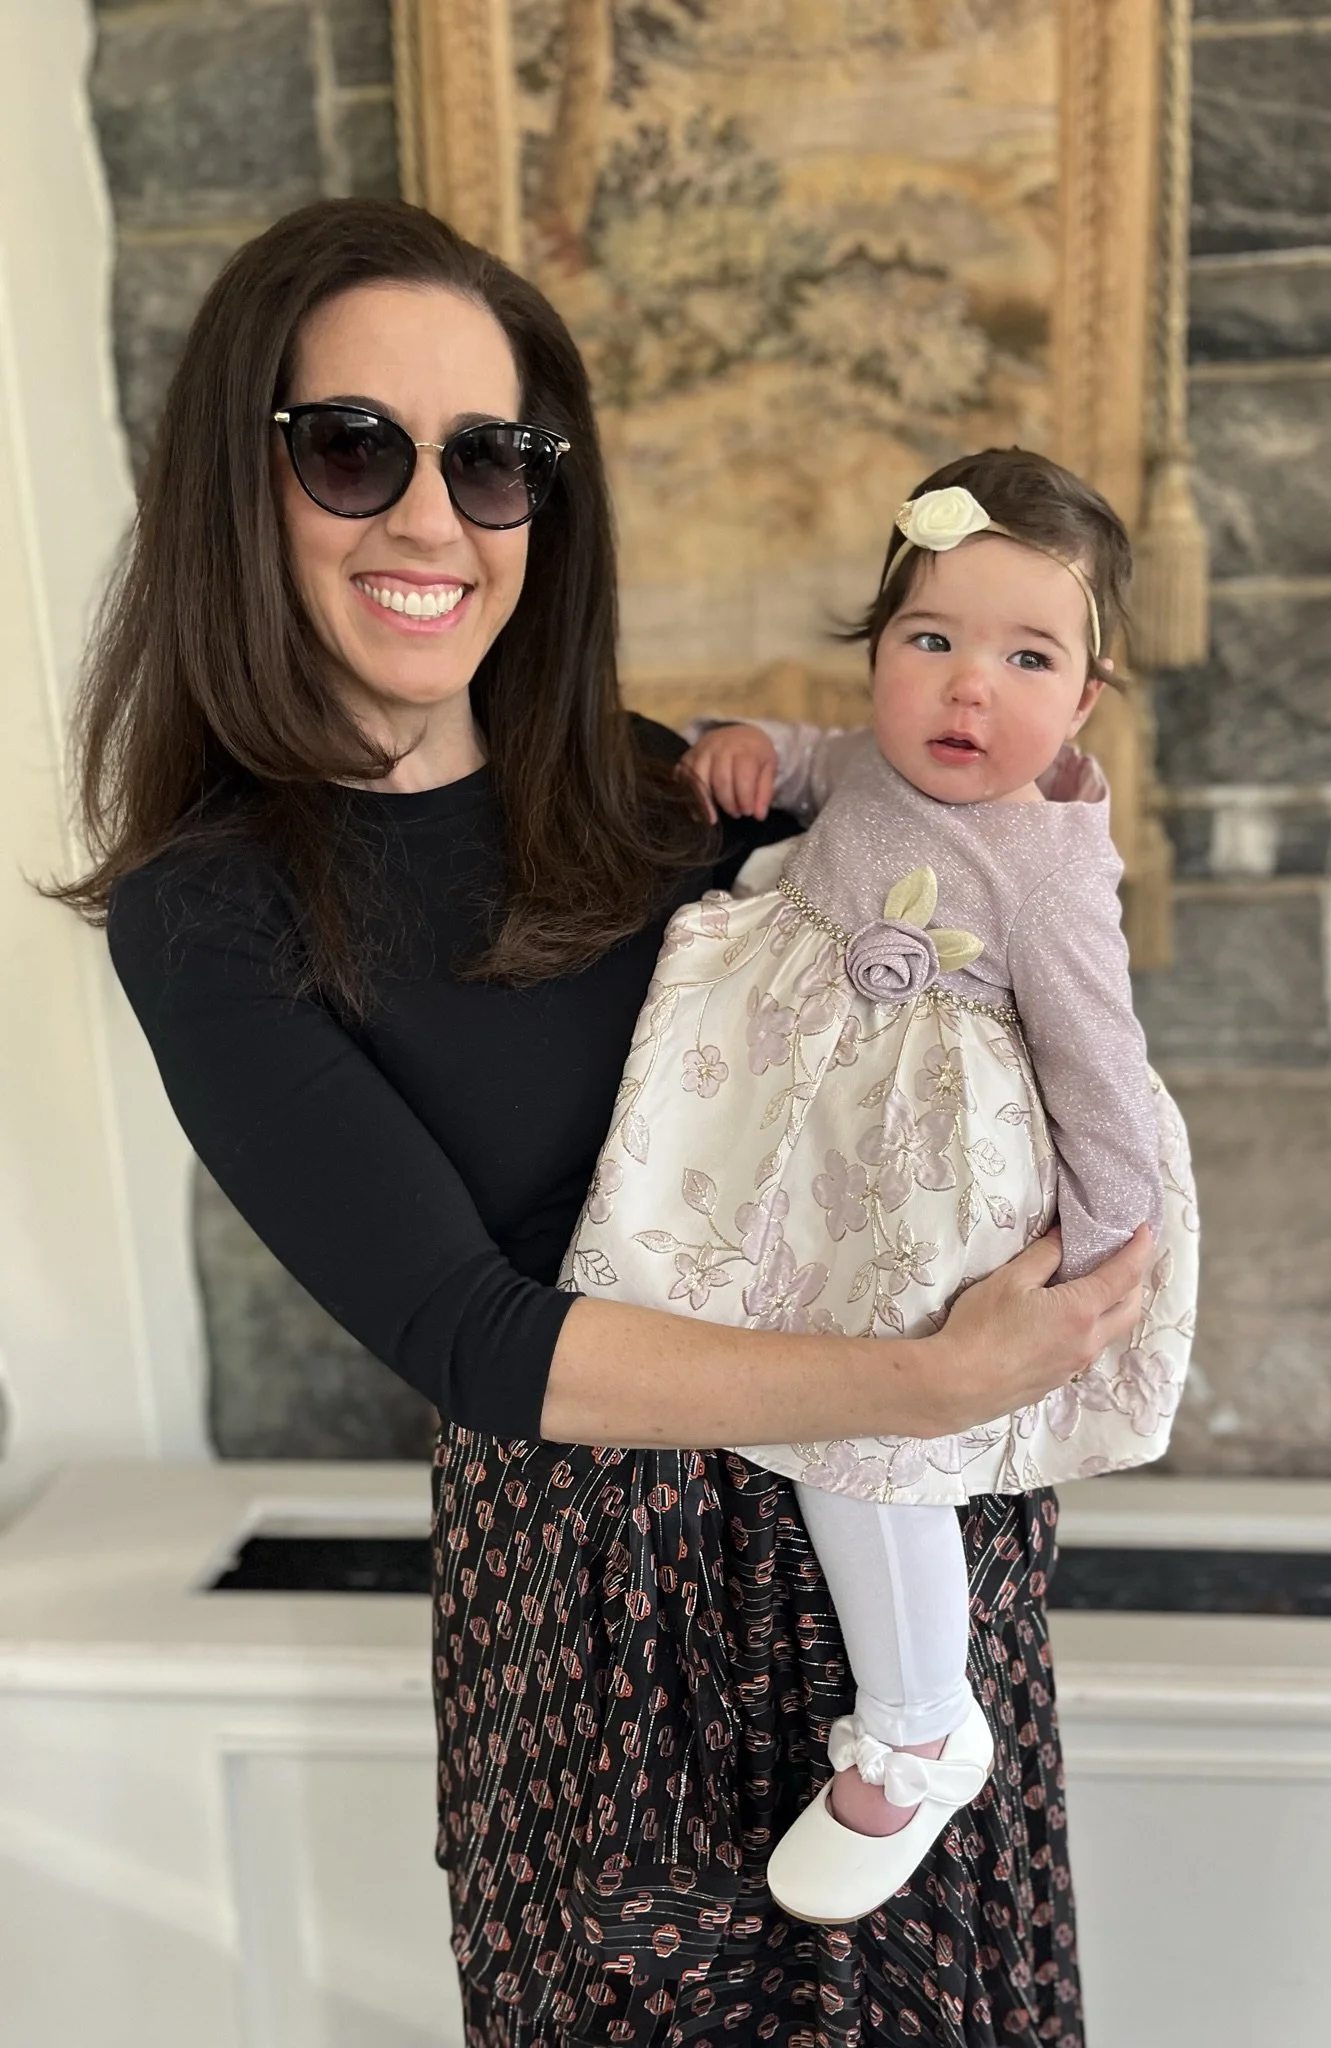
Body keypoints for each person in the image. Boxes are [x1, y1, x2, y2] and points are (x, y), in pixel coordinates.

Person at [58, 197, 1153, 2047]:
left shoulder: (663, 782)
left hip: (896, 1594)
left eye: (492, 461)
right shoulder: (215, 906)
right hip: (614, 1628)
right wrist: (929, 1389)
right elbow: (473, 1340)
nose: (431, 518)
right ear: (236, 483)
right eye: (352, 449)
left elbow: (959, 929)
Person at [562, 450, 1198, 1925]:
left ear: (1083, 702)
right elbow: (808, 759)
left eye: (1026, 657)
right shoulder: (876, 757)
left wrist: (1103, 1270)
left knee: (870, 1445)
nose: (969, 691)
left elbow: (1104, 1068)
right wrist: (742, 750)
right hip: (807, 1172)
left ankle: (921, 1723)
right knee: (762, 1383)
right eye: (932, 642)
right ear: (880, 658)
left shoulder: (1043, 863)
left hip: (924, 1202)